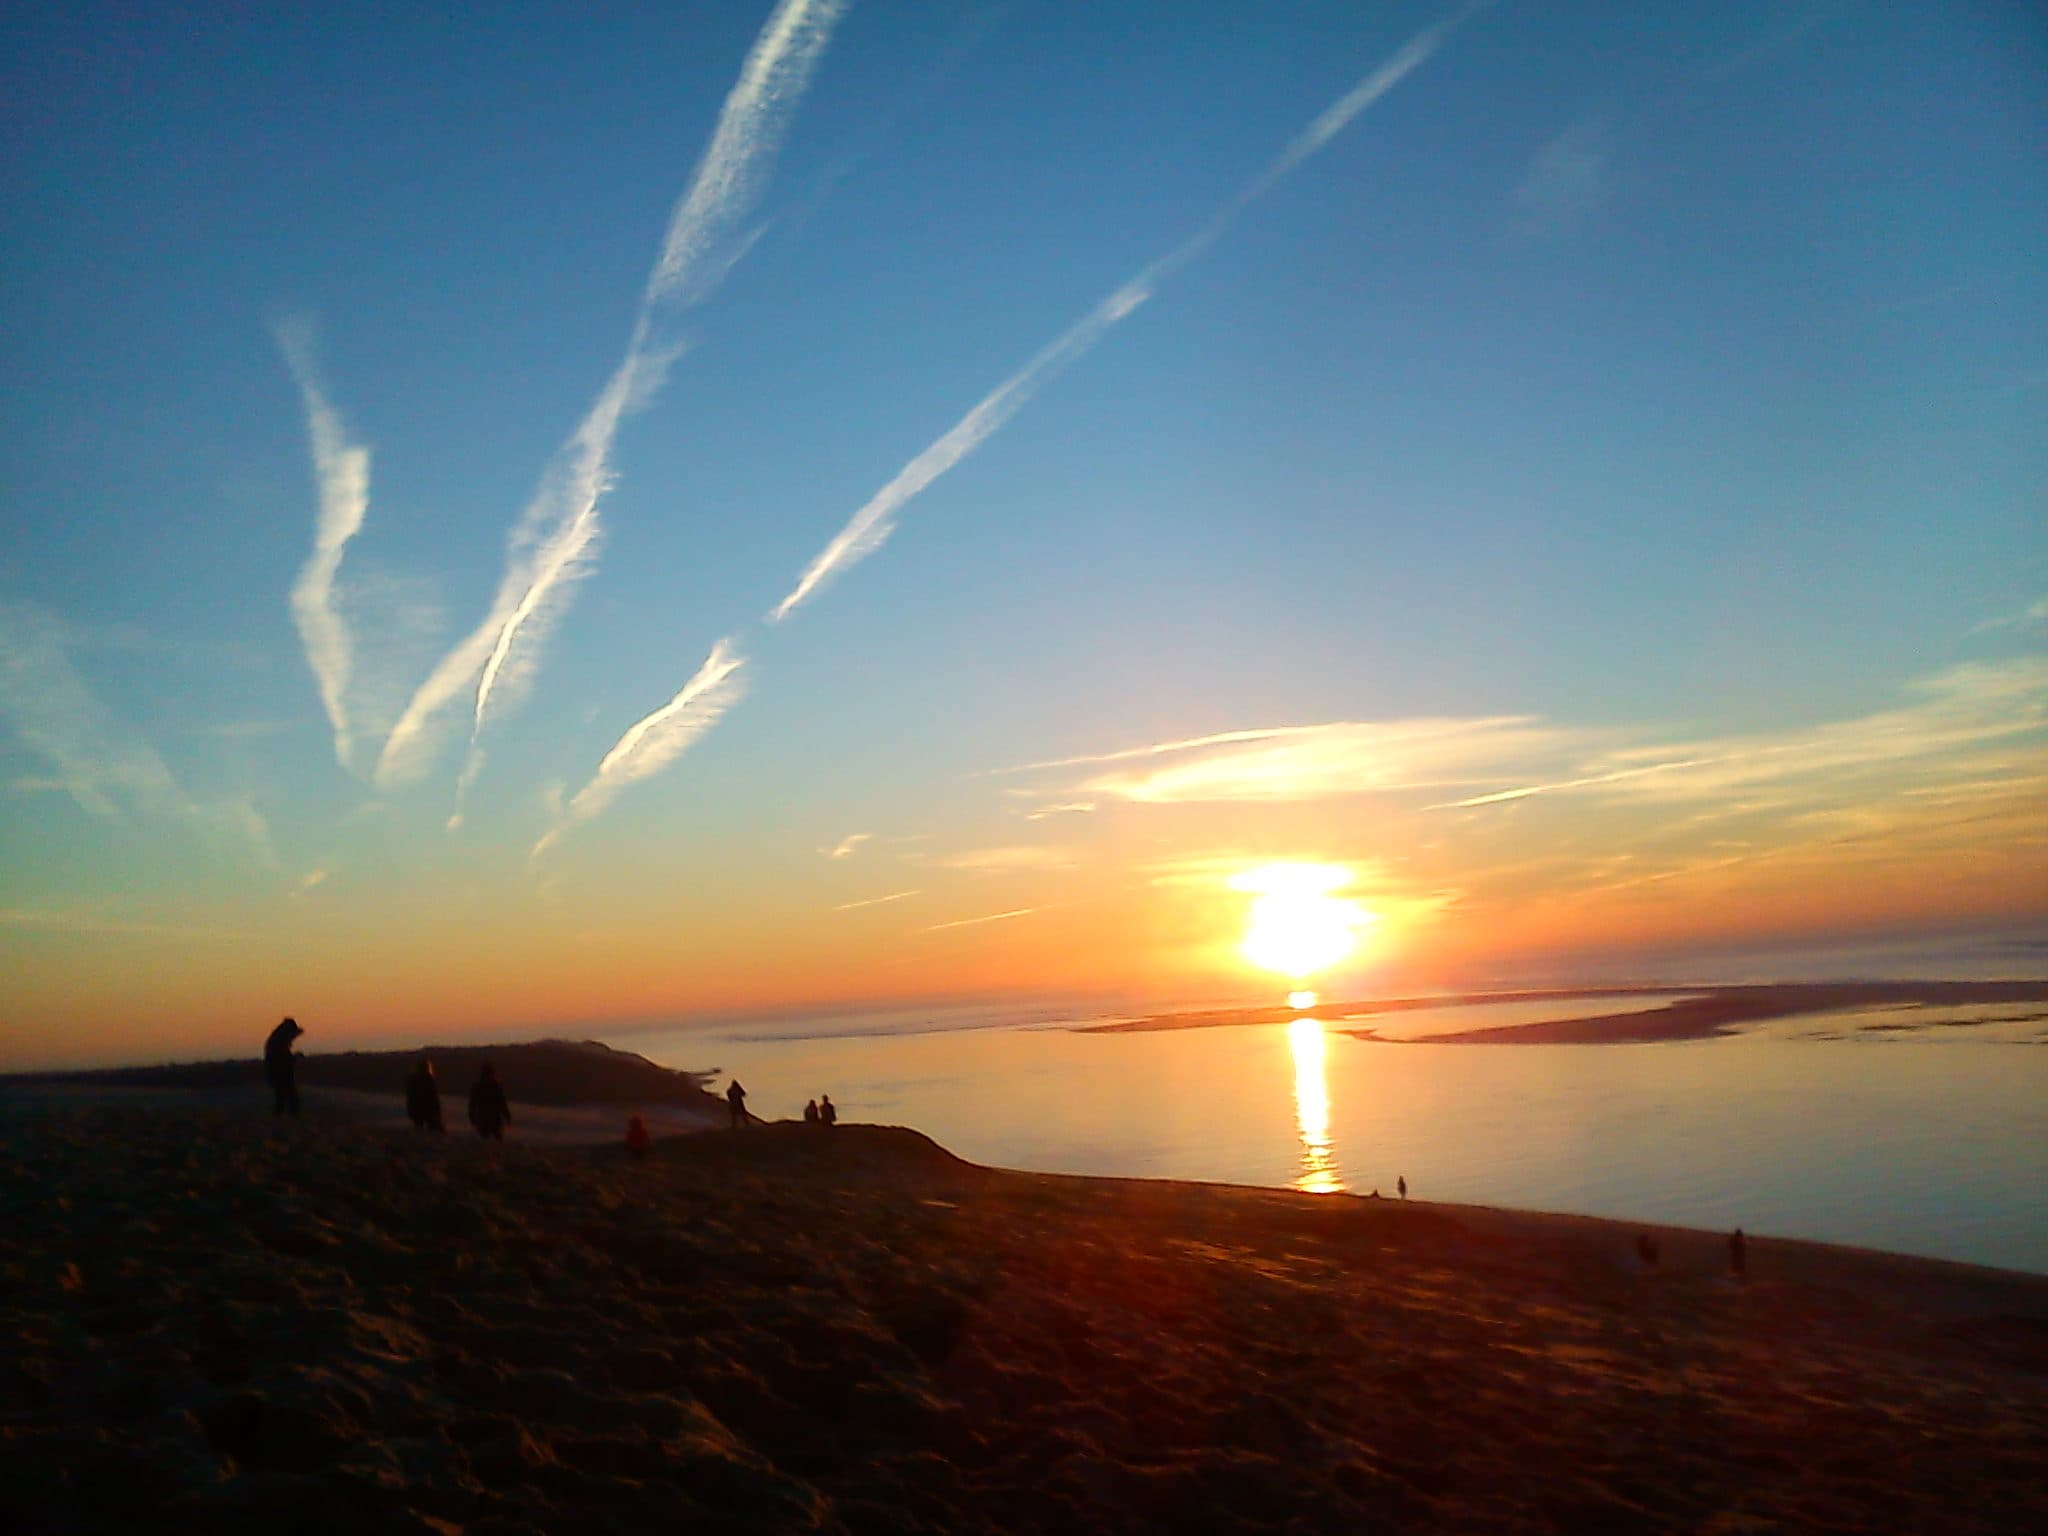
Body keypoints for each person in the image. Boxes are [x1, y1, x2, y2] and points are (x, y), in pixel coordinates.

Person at [263, 1018, 303, 1118]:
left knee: (283, 1096)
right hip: (280, 1073)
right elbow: (283, 1060)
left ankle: (282, 1117)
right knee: (287, 1095)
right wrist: (295, 1058)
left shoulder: (276, 1040)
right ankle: (289, 1118)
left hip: (277, 1072)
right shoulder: (279, 1042)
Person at [468, 1064, 510, 1140]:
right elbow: (502, 1103)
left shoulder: (478, 1086)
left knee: (489, 1139)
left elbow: (472, 1104)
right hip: (491, 1119)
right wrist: (507, 1116)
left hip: (485, 1118)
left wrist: (472, 1118)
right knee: (495, 1139)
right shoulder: (495, 1086)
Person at [406, 1060, 443, 1133]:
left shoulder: (412, 1081)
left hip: (417, 1110)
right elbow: (433, 1097)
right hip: (428, 1110)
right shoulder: (428, 1080)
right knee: (434, 1131)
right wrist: (437, 1111)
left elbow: (410, 1098)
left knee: (419, 1130)